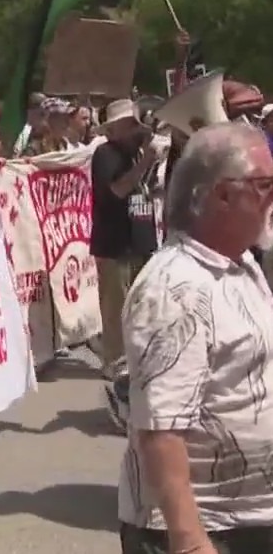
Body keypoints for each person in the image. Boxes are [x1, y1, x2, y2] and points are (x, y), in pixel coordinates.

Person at [119, 123, 273, 554]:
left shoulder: (240, 262)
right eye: (264, 186)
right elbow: (161, 430)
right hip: (208, 530)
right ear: (222, 196)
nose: (272, 198)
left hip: (249, 520)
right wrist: (189, 541)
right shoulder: (174, 289)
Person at [89, 99, 159, 381]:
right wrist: (146, 162)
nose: (136, 130)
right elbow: (117, 190)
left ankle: (135, 360)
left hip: (138, 243)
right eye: (130, 125)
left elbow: (141, 190)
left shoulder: (134, 154)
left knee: (140, 310)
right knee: (117, 311)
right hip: (115, 245)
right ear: (113, 130)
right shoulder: (105, 154)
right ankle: (115, 365)